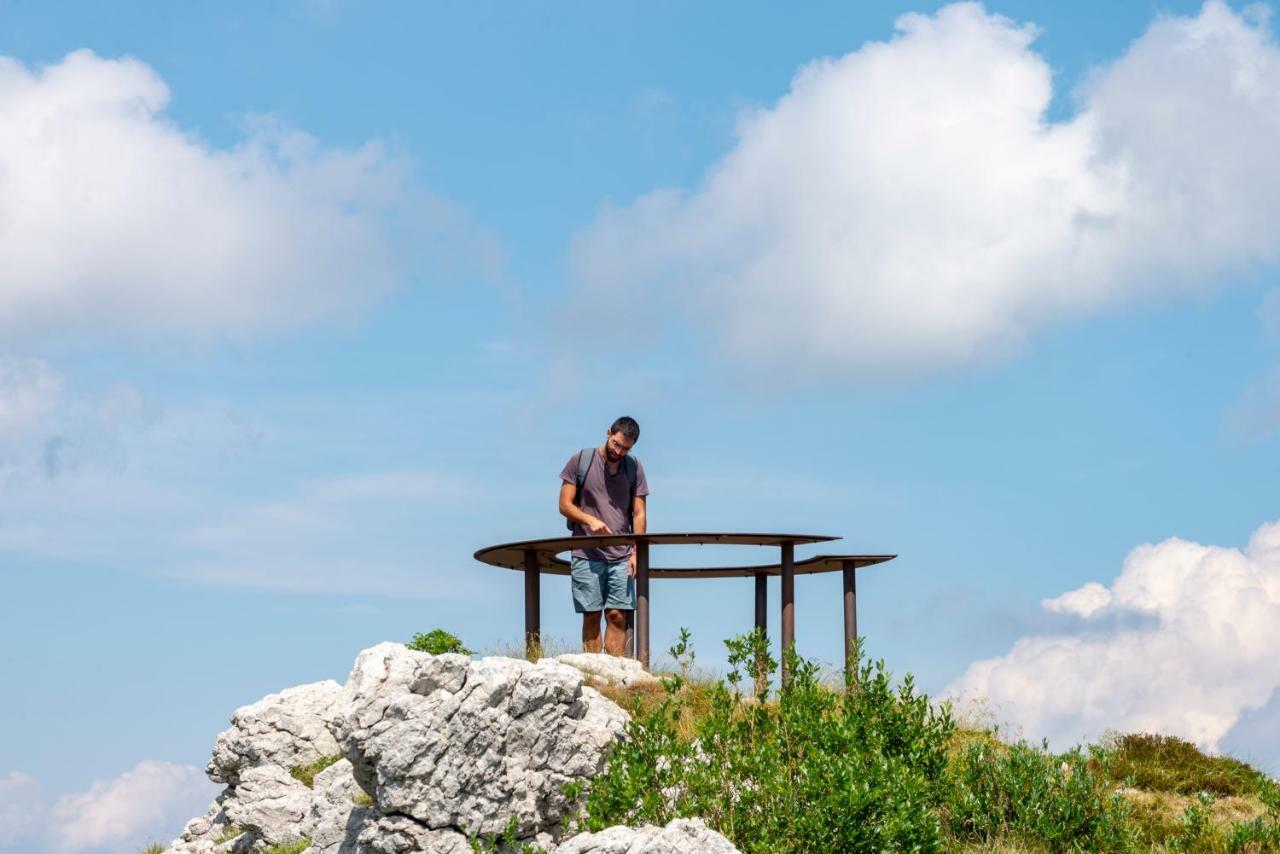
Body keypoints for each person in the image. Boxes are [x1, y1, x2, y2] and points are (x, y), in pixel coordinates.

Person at [558, 416, 649, 656]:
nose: (619, 451)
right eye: (616, 444)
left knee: (617, 615)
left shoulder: (634, 468)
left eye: (626, 448)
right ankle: (593, 673)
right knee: (591, 613)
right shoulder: (580, 461)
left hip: (621, 554)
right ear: (608, 433)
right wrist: (589, 520)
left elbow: (639, 513)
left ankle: (613, 676)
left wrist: (637, 552)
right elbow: (564, 504)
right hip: (586, 552)